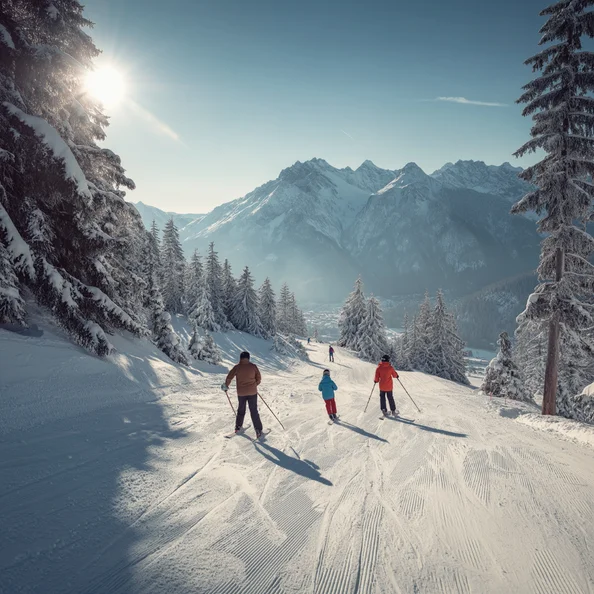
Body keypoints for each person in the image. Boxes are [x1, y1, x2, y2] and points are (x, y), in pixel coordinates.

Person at [222, 351, 263, 438]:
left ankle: (238, 427)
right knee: (253, 410)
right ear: (248, 358)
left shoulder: (237, 367)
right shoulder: (253, 366)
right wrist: (254, 385)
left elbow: (229, 377)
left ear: (240, 358)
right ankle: (258, 430)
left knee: (241, 410)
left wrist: (226, 386)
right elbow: (259, 378)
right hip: (252, 392)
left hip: (241, 393)